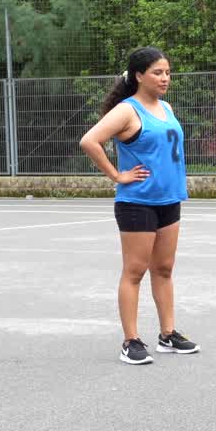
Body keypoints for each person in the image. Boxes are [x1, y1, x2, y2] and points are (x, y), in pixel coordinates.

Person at [79, 47, 197, 365]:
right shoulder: (127, 111)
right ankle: (130, 340)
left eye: (168, 72)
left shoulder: (166, 107)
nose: (165, 78)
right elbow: (90, 140)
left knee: (164, 268)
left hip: (169, 199)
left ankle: (168, 334)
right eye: (158, 72)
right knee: (135, 271)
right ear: (139, 76)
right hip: (137, 202)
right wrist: (117, 175)